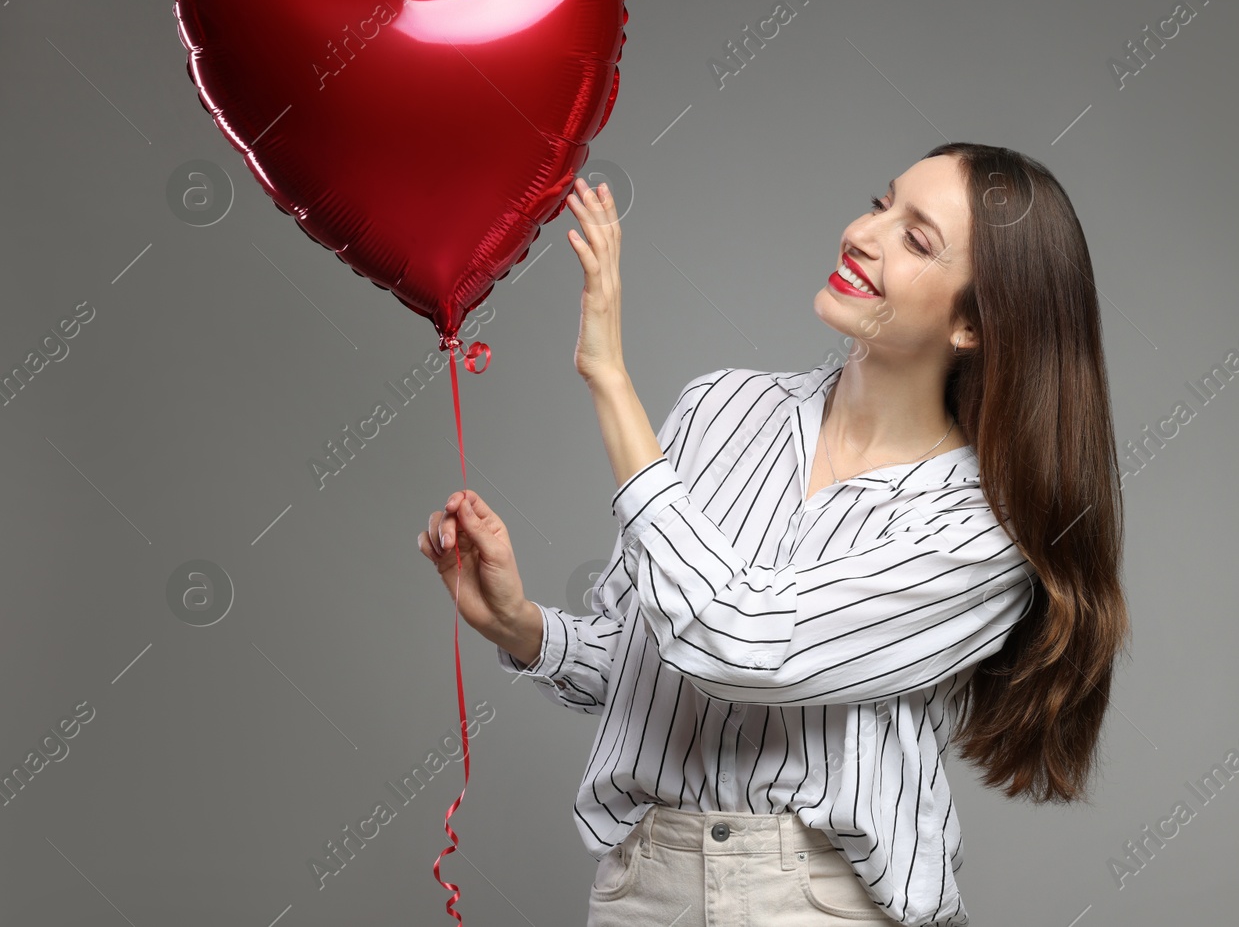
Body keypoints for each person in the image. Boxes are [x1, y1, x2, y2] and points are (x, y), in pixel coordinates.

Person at [418, 143, 1129, 926]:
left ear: (972, 323)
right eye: (881, 202)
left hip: (821, 901)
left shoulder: (977, 533)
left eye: (917, 238)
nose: (864, 232)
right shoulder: (718, 408)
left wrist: (611, 381)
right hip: (643, 889)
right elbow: (645, 671)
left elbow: (740, 644)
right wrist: (522, 627)